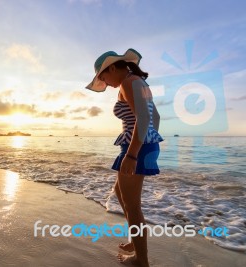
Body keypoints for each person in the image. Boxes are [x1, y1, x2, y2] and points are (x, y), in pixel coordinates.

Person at [86, 49, 163, 267]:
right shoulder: (138, 82)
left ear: (112, 68)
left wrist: (133, 153)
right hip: (141, 145)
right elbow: (154, 117)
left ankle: (141, 260)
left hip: (135, 148)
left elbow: (144, 117)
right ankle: (134, 242)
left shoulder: (129, 82)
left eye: (103, 77)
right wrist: (149, 141)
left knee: (132, 205)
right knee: (122, 195)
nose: (105, 82)